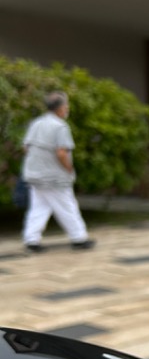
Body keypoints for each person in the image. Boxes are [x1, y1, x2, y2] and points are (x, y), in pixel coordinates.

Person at [21, 90, 94, 253]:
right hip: (54, 177)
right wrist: (69, 169)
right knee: (68, 206)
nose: (67, 109)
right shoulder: (60, 126)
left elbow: (26, 147)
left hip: (34, 175)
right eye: (66, 105)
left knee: (39, 208)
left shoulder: (36, 123)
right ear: (60, 108)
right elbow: (61, 152)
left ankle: (31, 240)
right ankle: (79, 238)